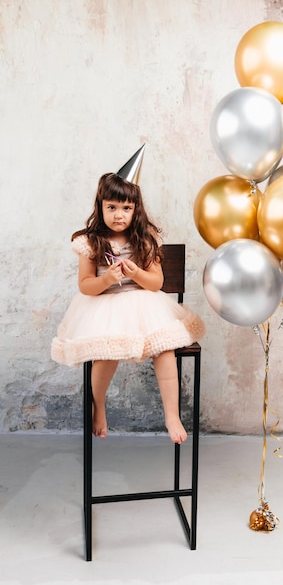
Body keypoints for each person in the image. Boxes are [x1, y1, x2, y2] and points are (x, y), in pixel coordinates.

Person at [51, 171, 205, 444]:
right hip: (104, 306)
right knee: (108, 350)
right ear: (100, 206)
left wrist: (136, 275)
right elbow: (85, 285)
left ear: (136, 210)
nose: (119, 215)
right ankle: (98, 405)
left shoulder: (144, 239)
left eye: (126, 208)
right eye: (111, 207)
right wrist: (107, 279)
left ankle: (171, 414)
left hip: (145, 306)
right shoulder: (90, 241)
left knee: (164, 348)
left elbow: (156, 282)